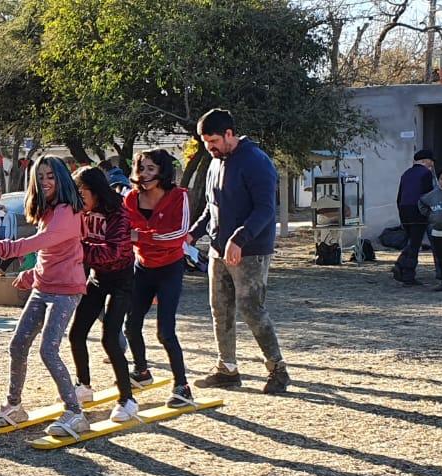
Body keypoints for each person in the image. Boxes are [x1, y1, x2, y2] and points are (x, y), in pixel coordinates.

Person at [0, 155, 88, 437]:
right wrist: (31, 275)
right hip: (44, 287)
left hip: (66, 290)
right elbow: (50, 251)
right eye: (40, 177)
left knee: (48, 349)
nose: (45, 181)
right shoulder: (48, 210)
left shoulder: (67, 210)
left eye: (50, 176)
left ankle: (75, 412)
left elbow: (44, 241)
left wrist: (8, 248)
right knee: (18, 345)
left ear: (62, 178)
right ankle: (14, 405)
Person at [187, 108, 289, 394]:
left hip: (250, 250)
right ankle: (227, 369)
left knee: (251, 308)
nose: (209, 147)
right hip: (219, 250)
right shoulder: (215, 162)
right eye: (205, 142)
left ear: (230, 134)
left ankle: (278, 369)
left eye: (213, 141)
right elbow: (211, 206)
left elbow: (265, 209)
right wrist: (194, 233)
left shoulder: (256, 161)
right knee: (220, 309)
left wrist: (240, 239)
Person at [124, 149, 197, 409]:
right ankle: (141, 371)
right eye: (141, 168)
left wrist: (140, 236)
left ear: (163, 171)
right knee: (131, 324)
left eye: (151, 169)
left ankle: (182, 385)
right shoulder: (131, 198)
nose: (144, 174)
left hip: (170, 267)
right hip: (142, 267)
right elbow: (122, 231)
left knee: (165, 331)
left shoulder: (178, 197)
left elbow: (178, 235)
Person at [66, 166, 136, 421]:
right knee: (76, 334)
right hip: (97, 278)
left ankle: (127, 399)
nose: (77, 197)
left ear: (95, 190)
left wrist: (76, 248)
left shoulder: (118, 212)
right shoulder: (80, 212)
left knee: (110, 339)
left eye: (81, 191)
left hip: (122, 281)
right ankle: (83, 386)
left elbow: (113, 251)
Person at [392, 149, 437, 285]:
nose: (433, 164)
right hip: (418, 210)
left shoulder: (406, 174)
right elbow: (427, 195)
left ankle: (403, 267)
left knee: (411, 240)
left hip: (404, 210)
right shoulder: (426, 174)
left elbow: (399, 196)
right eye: (431, 160)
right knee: (415, 243)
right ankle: (405, 271)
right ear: (425, 161)